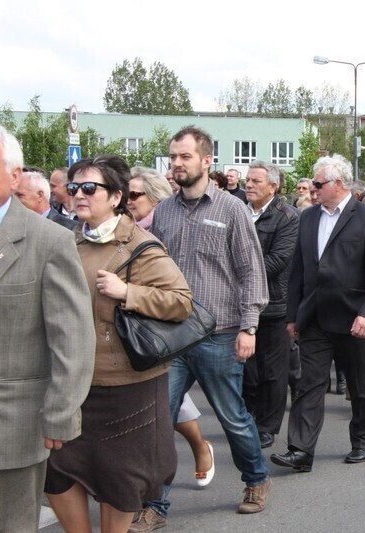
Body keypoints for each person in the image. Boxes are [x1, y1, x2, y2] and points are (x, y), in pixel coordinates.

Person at [45, 155, 193, 533]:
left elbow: (181, 302)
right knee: (57, 472)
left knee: (119, 479)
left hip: (127, 385)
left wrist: (128, 292)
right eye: (74, 187)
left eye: (89, 188)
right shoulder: (65, 242)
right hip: (73, 383)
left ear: (115, 197)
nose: (79, 195)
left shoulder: (140, 245)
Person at [134, 126, 271, 530]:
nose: (177, 163)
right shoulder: (165, 211)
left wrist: (249, 327)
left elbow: (251, 271)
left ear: (207, 161)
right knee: (159, 422)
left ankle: (256, 480)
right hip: (172, 337)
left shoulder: (231, 209)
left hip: (221, 334)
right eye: (173, 156)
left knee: (232, 417)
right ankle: (155, 506)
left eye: (185, 156)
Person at [0, 125, 95, 533]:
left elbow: (73, 339)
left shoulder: (49, 241)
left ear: (14, 175)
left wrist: (60, 412)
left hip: (10, 426)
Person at [271, 154, 365, 472]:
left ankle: (363, 442)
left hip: (355, 319)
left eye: (318, 183)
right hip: (316, 318)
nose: (313, 189)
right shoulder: (308, 217)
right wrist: (293, 316)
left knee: (362, 386)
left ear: (339, 184)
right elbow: (297, 270)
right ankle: (300, 450)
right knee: (309, 385)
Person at [128, 166, 215, 488]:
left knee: (165, 400)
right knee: (148, 404)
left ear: (154, 198)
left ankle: (198, 448)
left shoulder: (163, 229)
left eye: (134, 194)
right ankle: (137, 484)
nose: (128, 200)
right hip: (126, 322)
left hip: (162, 326)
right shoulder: (122, 230)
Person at [243, 160, 300, 449]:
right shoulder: (238, 211)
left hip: (274, 304)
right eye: (248, 180)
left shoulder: (287, 217)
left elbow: (278, 260)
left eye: (256, 181)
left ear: (273, 187)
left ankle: (267, 426)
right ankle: (249, 417)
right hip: (240, 303)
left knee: (273, 370)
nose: (248, 185)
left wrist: (237, 272)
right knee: (246, 369)